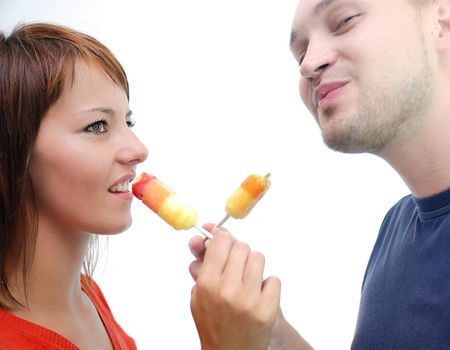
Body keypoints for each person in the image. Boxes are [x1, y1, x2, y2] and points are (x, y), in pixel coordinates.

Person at [189, 0, 450, 348]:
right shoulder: (395, 229)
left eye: (345, 21)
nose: (308, 65)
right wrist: (271, 335)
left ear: (444, 21)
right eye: (300, 53)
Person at [0, 22, 281, 349]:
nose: (139, 150)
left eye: (127, 121)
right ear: (13, 150)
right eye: (97, 125)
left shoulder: (89, 297)